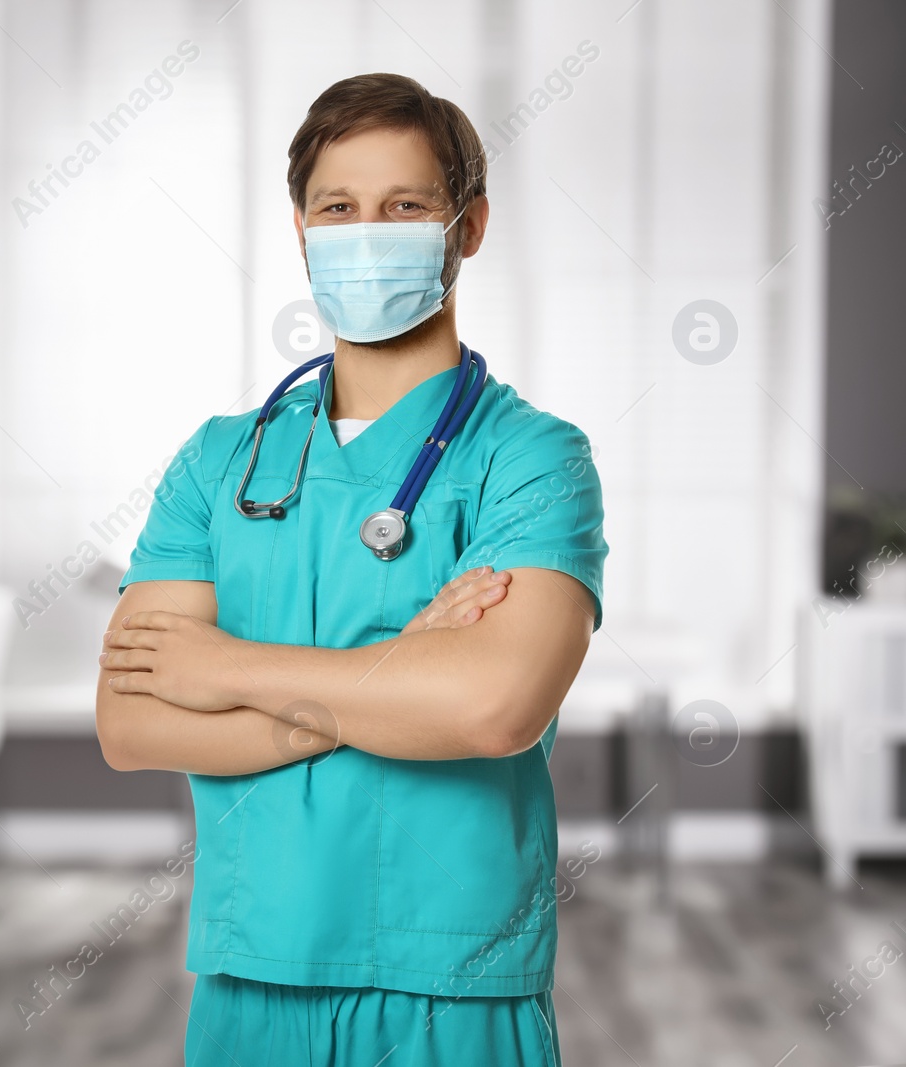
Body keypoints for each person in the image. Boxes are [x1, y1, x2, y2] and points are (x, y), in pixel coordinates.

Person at [95, 73, 608, 1066]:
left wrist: (227, 668)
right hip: (253, 977)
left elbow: (493, 708)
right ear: (299, 228)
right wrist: (399, 671)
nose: (366, 231)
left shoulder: (533, 458)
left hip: (452, 985)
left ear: (468, 227)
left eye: (405, 206)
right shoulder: (221, 460)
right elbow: (130, 722)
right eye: (339, 208)